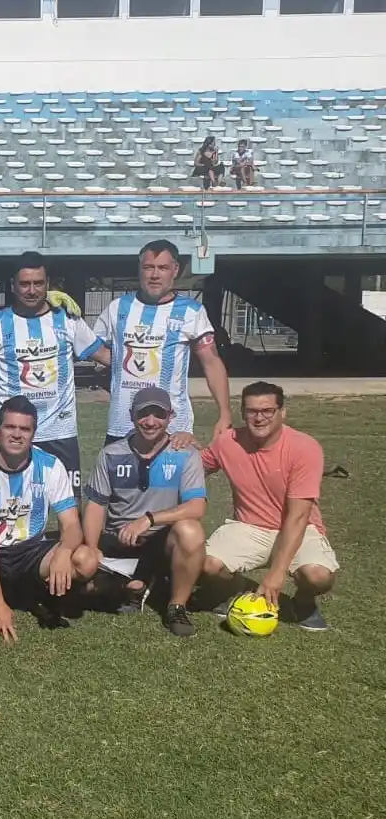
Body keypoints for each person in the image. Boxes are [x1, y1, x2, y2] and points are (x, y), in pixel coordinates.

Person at [0, 397, 99, 642]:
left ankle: (35, 590)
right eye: (10, 427)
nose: (17, 435)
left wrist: (64, 552)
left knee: (86, 560)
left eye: (24, 429)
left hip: (30, 550)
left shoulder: (50, 465)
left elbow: (71, 525)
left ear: (34, 433)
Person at [198, 382, 337, 631]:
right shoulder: (226, 442)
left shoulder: (305, 448)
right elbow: (193, 469)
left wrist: (277, 573)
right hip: (249, 526)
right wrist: (179, 442)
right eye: (251, 411)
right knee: (206, 565)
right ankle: (233, 588)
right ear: (243, 413)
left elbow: (297, 517)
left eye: (267, 411)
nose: (259, 418)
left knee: (318, 576)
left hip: (299, 528)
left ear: (282, 413)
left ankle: (303, 602)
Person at [0, 252, 110, 494]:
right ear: (13, 286)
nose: (32, 290)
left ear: (48, 285)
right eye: (25, 284)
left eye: (38, 283)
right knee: (10, 500)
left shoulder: (67, 319)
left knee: (70, 499)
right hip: (13, 430)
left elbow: (106, 356)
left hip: (60, 430)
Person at [81, 387, 207, 637]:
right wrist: (92, 547)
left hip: (162, 542)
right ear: (131, 415)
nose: (150, 422)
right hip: (119, 541)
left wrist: (148, 520)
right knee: (83, 586)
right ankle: (136, 586)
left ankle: (176, 606)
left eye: (158, 414)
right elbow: (96, 505)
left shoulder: (185, 454)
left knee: (191, 530)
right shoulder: (111, 454)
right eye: (143, 414)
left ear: (170, 416)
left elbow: (197, 507)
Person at [93, 240, 232, 446]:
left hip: (173, 429)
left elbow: (211, 362)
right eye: (148, 267)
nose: (155, 275)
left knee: (167, 478)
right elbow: (92, 346)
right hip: (122, 425)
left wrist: (225, 413)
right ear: (139, 269)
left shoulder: (191, 311)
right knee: (119, 478)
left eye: (163, 268)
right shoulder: (118, 308)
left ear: (175, 270)